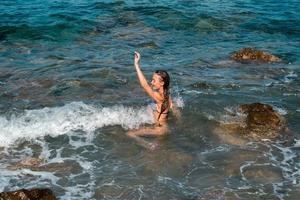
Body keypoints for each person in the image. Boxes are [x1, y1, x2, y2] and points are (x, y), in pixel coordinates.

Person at [127, 51, 180, 150]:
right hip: (164, 128)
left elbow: (144, 85)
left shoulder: (158, 97)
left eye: (154, 80)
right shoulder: (167, 94)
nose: (152, 82)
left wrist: (136, 65)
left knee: (130, 133)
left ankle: (148, 145)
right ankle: (155, 146)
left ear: (162, 83)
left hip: (159, 129)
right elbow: (173, 106)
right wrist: (178, 119)